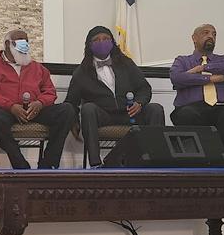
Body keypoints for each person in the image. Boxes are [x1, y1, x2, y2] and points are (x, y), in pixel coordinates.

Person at [65, 26, 165, 168]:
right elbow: (71, 102)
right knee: (88, 109)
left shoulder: (126, 63)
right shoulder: (82, 72)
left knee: (155, 109)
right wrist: (74, 122)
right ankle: (96, 164)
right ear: (89, 45)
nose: (102, 42)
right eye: (97, 40)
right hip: (104, 116)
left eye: (106, 39)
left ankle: (155, 161)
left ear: (112, 42)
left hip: (130, 113)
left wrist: (139, 103)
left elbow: (144, 88)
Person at [0, 30, 75, 169]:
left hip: (34, 111)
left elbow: (50, 92)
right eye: (19, 40)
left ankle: (48, 164)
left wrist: (40, 103)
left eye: (26, 41)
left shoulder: (38, 68)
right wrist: (11, 106)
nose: (24, 44)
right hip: (6, 112)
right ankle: (20, 165)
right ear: (7, 44)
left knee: (67, 110)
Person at [169, 24, 224, 165]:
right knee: (186, 114)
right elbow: (177, 78)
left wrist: (203, 68)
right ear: (194, 38)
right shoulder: (183, 61)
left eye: (214, 34)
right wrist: (210, 78)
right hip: (192, 107)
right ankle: (196, 166)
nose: (211, 36)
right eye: (206, 33)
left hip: (222, 107)